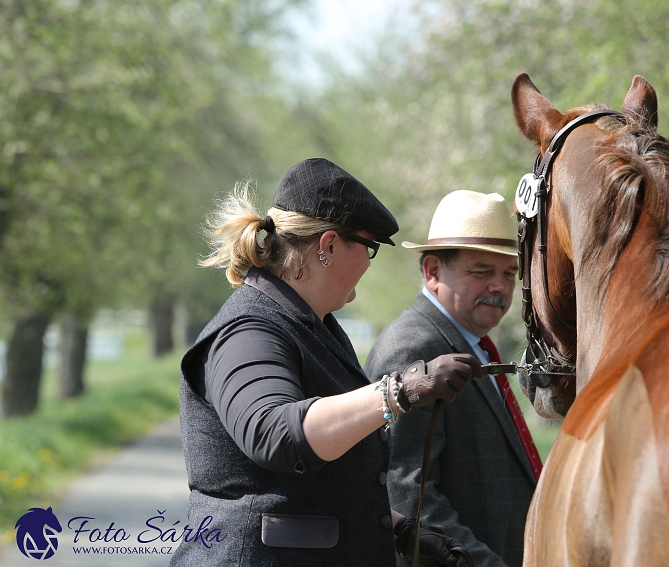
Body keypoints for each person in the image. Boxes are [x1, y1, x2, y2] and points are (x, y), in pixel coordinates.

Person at [171, 158, 483, 566]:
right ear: (329, 246)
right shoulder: (249, 329)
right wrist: (399, 390)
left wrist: (398, 530)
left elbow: (319, 486)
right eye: (369, 247)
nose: (370, 264)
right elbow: (274, 434)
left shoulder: (315, 328)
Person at [365, 190, 541, 567]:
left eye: (509, 273)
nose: (499, 286)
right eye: (481, 271)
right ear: (432, 272)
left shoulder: (469, 343)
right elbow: (406, 497)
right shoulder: (413, 348)